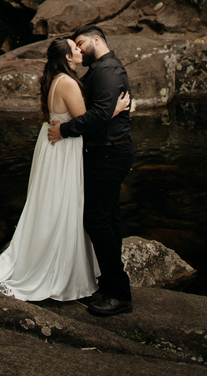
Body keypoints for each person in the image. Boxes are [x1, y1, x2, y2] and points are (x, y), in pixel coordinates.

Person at [0, 37, 128, 302]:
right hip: (63, 149)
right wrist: (114, 110)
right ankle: (57, 269)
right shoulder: (68, 82)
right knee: (61, 205)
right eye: (75, 47)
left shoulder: (56, 79)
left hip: (55, 147)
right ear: (67, 57)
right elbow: (86, 120)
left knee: (53, 205)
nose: (80, 49)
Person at [48, 24, 134, 317]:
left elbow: (98, 114)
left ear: (97, 39)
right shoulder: (98, 70)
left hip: (110, 153)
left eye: (82, 42)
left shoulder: (108, 71)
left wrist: (64, 130)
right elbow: (97, 109)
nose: (80, 49)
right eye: (75, 45)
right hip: (105, 152)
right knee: (108, 217)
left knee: (96, 219)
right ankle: (110, 284)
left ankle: (119, 293)